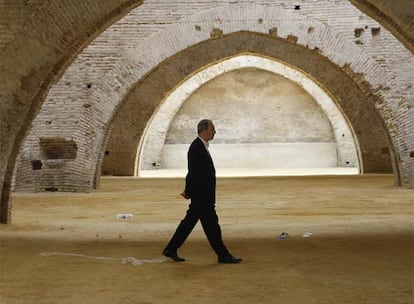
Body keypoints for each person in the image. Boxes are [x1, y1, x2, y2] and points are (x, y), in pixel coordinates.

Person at [162, 119, 242, 264]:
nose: (214, 132)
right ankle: (223, 254)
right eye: (212, 129)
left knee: (189, 223)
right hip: (202, 196)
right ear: (204, 130)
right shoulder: (196, 147)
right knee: (212, 226)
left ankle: (171, 248)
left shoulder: (200, 146)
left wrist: (189, 190)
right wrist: (188, 190)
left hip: (202, 195)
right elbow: (193, 172)